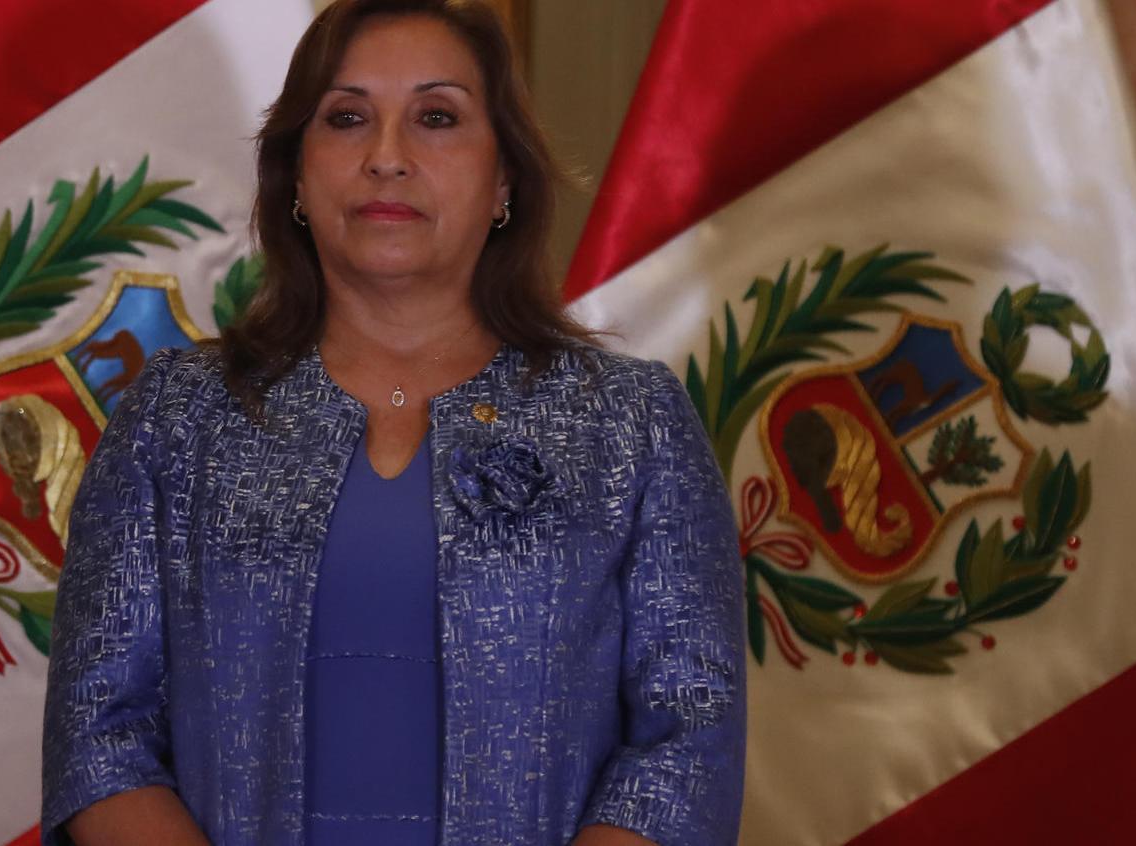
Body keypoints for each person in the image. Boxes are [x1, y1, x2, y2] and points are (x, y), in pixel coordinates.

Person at [40, 1, 745, 844]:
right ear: (296, 178)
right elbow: (99, 736)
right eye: (346, 119)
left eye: (436, 118)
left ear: (504, 181)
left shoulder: (632, 424)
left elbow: (686, 743)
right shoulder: (177, 418)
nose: (385, 158)